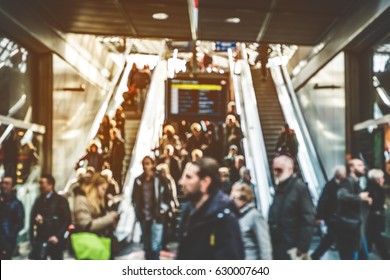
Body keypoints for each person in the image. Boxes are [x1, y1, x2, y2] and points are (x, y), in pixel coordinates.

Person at [177, 157, 244, 260]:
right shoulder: (188, 210)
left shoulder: (225, 218)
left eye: (188, 177)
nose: (181, 182)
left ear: (205, 182)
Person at [268, 155, 315, 259]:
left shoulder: (299, 188)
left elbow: (308, 219)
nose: (275, 173)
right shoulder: (280, 187)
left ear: (290, 170)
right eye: (274, 169)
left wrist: (302, 247)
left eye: (279, 170)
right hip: (279, 245)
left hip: (292, 247)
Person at [131, 156, 173, 260]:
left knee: (155, 246)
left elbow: (168, 195)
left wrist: (163, 209)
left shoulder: (159, 179)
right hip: (144, 217)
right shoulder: (138, 180)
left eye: (148, 163)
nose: (145, 166)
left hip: (157, 217)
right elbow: (134, 197)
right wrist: (137, 211)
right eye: (144, 164)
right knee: (147, 246)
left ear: (153, 164)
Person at [73, 174, 120, 258]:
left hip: (99, 242)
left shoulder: (98, 200)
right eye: (103, 189)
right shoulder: (82, 199)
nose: (104, 192)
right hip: (89, 243)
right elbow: (86, 225)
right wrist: (109, 218)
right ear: (95, 186)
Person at [335, 158, 372, 260]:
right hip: (351, 229)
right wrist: (360, 197)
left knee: (363, 257)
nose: (363, 167)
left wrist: (364, 200)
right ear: (351, 168)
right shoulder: (347, 181)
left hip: (357, 228)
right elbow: (341, 195)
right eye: (359, 165)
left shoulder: (355, 182)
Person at [29, 174, 71, 260]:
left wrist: (58, 236)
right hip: (41, 239)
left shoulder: (60, 200)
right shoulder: (38, 200)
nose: (40, 186)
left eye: (42, 183)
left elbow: (67, 220)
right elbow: (32, 219)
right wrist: (32, 239)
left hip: (55, 241)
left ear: (50, 185)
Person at [311, 165, 347, 260]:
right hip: (332, 216)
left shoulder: (343, 184)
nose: (346, 175)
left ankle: (315, 256)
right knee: (331, 237)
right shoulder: (330, 185)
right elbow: (322, 201)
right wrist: (320, 217)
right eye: (344, 173)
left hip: (338, 216)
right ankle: (315, 256)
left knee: (331, 237)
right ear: (339, 175)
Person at [230, 183, 272, 260]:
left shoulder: (254, 216)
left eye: (234, 198)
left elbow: (264, 246)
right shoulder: (236, 216)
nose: (231, 201)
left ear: (244, 199)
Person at [365, 169, 389, 259]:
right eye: (382, 178)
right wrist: (382, 206)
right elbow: (373, 204)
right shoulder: (375, 190)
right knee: (378, 240)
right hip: (373, 219)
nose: (383, 180)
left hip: (371, 219)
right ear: (377, 180)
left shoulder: (371, 188)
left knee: (371, 239)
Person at [0, 176, 24, 259]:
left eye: (7, 183)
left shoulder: (16, 204)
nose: (3, 186)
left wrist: (9, 238)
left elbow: (19, 223)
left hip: (6, 242)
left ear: (12, 186)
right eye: (2, 183)